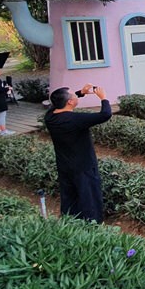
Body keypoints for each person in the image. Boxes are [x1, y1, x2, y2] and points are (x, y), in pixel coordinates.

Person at [45, 84, 112, 223]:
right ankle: (93, 223)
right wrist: (103, 98)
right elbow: (105, 114)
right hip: (83, 165)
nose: (76, 97)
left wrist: (81, 93)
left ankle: (70, 221)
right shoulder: (75, 119)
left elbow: (57, 104)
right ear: (69, 102)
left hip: (64, 164)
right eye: (75, 96)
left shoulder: (50, 117)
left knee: (69, 195)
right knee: (89, 197)